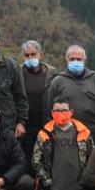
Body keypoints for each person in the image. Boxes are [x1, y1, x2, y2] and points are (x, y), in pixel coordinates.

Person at [30, 99, 92, 190]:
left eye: (64, 110)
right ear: (52, 112)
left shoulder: (84, 132)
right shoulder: (44, 133)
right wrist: (47, 181)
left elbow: (92, 158)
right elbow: (36, 161)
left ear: (71, 112)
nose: (60, 113)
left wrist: (85, 180)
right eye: (57, 110)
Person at [45, 44, 95, 140]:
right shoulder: (57, 81)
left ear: (84, 60)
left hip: (93, 133)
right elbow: (49, 111)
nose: (75, 61)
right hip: (67, 134)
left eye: (79, 59)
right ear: (67, 60)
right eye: (72, 59)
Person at [18, 39, 57, 168]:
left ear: (40, 54)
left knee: (46, 158)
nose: (30, 58)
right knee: (27, 159)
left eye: (33, 54)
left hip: (46, 124)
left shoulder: (52, 73)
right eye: (27, 55)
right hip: (25, 125)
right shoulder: (17, 73)